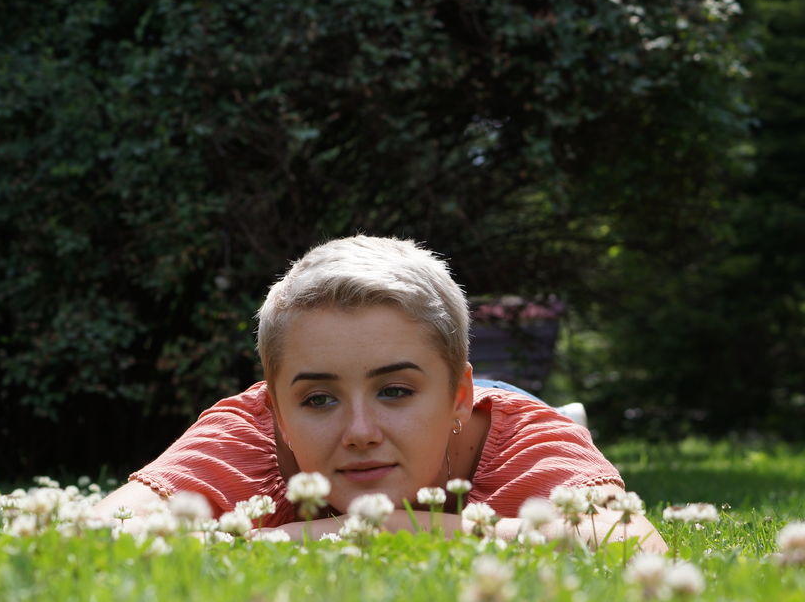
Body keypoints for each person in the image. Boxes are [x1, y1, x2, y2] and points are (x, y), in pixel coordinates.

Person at [92, 235, 666, 549]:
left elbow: (628, 544)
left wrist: (348, 530)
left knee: (562, 436)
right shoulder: (248, 430)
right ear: (276, 410)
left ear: (457, 396)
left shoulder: (520, 436)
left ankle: (570, 424)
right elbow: (96, 536)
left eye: (394, 390)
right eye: (319, 399)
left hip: (500, 404)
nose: (360, 432)